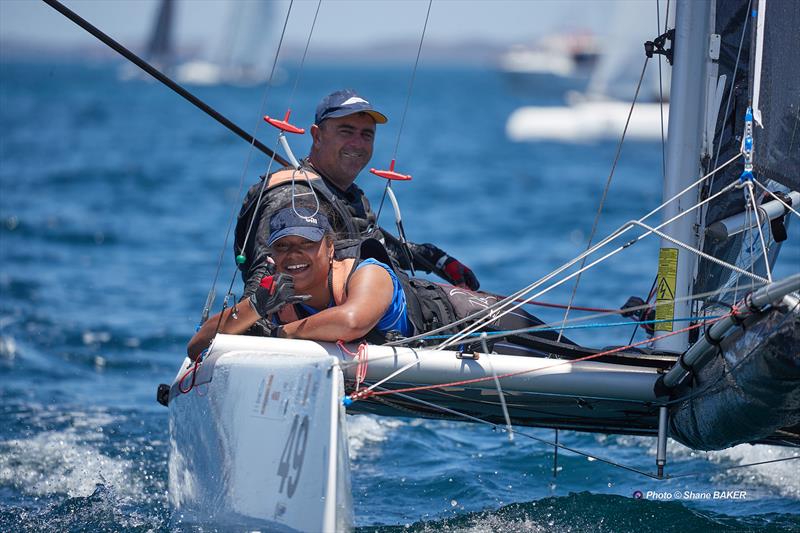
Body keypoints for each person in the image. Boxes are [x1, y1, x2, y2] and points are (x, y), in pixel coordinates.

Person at [233, 89, 479, 336]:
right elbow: (266, 272)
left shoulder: (349, 194)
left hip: (386, 319)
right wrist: (259, 332)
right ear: (317, 136)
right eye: (346, 131)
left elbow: (374, 247)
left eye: (366, 135)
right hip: (322, 334)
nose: (358, 144)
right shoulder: (292, 199)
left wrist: (437, 259)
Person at [189, 205, 570, 360]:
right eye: (284, 247)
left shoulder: (366, 272)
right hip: (434, 349)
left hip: (471, 319)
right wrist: (254, 307)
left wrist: (278, 335)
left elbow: (352, 321)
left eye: (305, 245)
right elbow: (198, 347)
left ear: (330, 247)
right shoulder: (276, 292)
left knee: (585, 360)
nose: (294, 256)